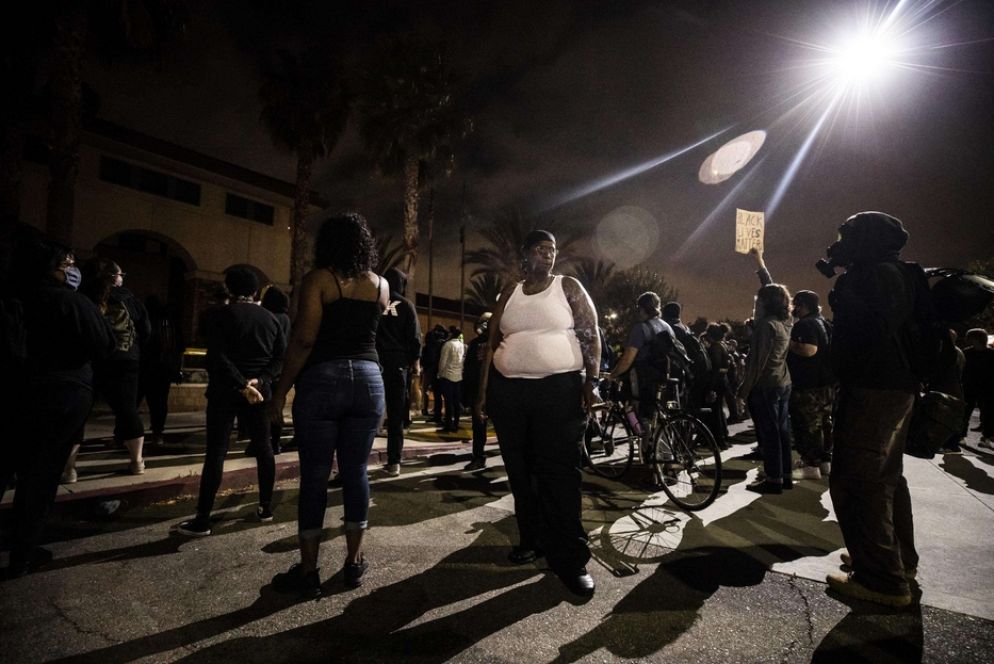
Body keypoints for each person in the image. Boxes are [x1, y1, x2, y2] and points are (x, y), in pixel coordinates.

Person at [476, 229, 601, 599]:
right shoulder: (509, 293)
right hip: (509, 393)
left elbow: (590, 332)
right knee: (521, 472)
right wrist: (482, 394)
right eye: (541, 250)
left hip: (558, 391)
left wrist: (591, 381)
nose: (548, 256)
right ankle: (532, 541)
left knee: (559, 474)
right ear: (525, 255)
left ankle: (571, 559)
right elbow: (492, 342)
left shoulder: (568, 287)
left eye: (552, 250)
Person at [268, 213, 387, 598]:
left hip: (324, 379)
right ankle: (354, 563)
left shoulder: (319, 279)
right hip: (369, 379)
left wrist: (281, 389)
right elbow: (369, 334)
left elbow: (304, 340)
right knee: (356, 472)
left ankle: (308, 571)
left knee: (316, 475)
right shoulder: (382, 285)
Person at [823, 211, 920, 607]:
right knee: (886, 478)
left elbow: (858, 340)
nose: (839, 243)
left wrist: (842, 292)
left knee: (858, 482)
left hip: (871, 390)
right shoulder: (901, 273)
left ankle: (881, 579)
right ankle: (894, 559)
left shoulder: (867, 278)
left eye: (845, 235)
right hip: (897, 388)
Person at [4, 239, 115, 578]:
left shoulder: (13, 299)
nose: (70, 270)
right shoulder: (71, 302)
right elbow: (105, 344)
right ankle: (22, 554)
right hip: (61, 395)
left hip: (15, 392)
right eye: (65, 264)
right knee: (40, 475)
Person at [176, 267, 286, 537]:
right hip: (260, 393)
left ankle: (203, 519)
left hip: (225, 392)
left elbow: (216, 356)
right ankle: (264, 508)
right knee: (264, 449)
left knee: (216, 451)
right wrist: (259, 381)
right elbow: (280, 358)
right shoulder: (271, 319)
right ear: (254, 291)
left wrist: (240, 384)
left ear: (230, 288)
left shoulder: (219, 315)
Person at [752, 248, 836, 480]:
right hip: (827, 384)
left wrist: (786, 343)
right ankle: (824, 461)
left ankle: (810, 465)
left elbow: (809, 350)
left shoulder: (804, 326)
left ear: (803, 305)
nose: (792, 307)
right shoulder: (825, 324)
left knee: (806, 425)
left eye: (795, 304)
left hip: (809, 385)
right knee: (824, 424)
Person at [69, 258, 150, 480]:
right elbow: (146, 329)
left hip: (91, 359)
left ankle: (69, 469)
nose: (123, 278)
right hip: (126, 359)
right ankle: (137, 462)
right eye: (121, 274)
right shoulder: (130, 299)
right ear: (115, 277)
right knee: (127, 409)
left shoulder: (83, 296)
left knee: (81, 412)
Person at [737, 282, 793, 494]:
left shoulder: (765, 326)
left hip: (767, 385)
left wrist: (743, 391)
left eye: (758, 300)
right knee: (782, 432)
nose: (756, 304)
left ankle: (773, 479)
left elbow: (756, 363)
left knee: (770, 434)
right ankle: (785, 476)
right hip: (783, 381)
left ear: (765, 302)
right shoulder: (786, 322)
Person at [608, 291, 677, 450]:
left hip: (643, 377)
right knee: (657, 415)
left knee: (640, 412)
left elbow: (627, 359)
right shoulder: (666, 326)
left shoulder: (641, 328)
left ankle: (647, 452)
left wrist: (613, 374)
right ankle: (663, 452)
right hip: (663, 375)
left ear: (642, 308)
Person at [375, 267, 421, 476]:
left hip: (373, 362)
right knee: (395, 416)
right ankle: (394, 461)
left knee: (365, 414)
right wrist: (415, 362)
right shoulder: (406, 306)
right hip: (397, 365)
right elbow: (414, 337)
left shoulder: (374, 302)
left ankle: (354, 461)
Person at [138, 295, 182, 446]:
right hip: (161, 369)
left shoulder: (145, 320)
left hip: (144, 368)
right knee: (159, 404)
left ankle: (122, 435)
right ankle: (157, 434)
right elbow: (176, 348)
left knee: (133, 403)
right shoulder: (168, 323)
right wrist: (175, 369)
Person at [260, 285, 291, 454]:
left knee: (264, 410)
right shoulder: (286, 318)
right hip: (281, 370)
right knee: (277, 409)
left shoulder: (268, 317)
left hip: (268, 369)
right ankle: (275, 443)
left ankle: (264, 443)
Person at [461, 313, 492, 471]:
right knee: (478, 427)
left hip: (495, 392)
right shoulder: (474, 344)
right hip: (477, 392)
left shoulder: (499, 343)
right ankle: (478, 456)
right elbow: (468, 369)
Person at [962, 328, 994, 448]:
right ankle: (963, 436)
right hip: (977, 386)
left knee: (987, 414)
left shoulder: (968, 353)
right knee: (967, 412)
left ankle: (986, 436)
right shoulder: (989, 354)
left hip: (984, 387)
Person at [437, 325, 466, 433]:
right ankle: (456, 424)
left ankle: (448, 425)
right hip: (458, 376)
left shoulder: (447, 345)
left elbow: (443, 361)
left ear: (451, 333)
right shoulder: (461, 345)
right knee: (456, 401)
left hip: (448, 375)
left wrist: (439, 373)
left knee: (448, 402)